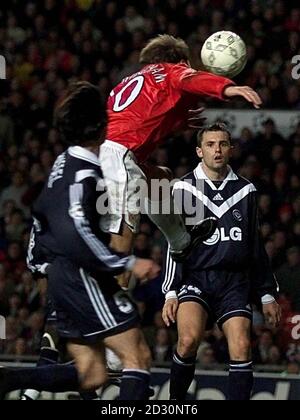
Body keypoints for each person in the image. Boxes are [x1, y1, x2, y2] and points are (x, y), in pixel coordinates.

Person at [0, 81, 160, 400]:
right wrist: (126, 261)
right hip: (83, 276)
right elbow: (75, 232)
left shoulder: (63, 163)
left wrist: (43, 266)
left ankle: (8, 379)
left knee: (92, 373)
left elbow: (42, 214)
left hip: (63, 274)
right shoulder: (85, 176)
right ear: (102, 126)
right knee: (137, 358)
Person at [100, 34, 262, 277]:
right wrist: (227, 88)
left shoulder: (128, 81)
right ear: (179, 61)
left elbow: (139, 118)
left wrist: (174, 122)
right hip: (118, 157)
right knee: (123, 233)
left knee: (158, 179)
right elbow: (191, 80)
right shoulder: (170, 71)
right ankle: (111, 300)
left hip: (103, 151)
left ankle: (180, 242)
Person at [162, 123, 281, 401]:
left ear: (231, 149)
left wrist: (266, 293)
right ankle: (174, 403)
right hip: (196, 278)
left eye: (223, 144)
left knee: (241, 346)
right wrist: (170, 290)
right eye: (211, 144)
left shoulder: (246, 190)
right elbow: (173, 243)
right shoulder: (182, 188)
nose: (217, 149)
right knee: (188, 341)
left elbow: (255, 246)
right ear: (199, 151)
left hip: (234, 282)